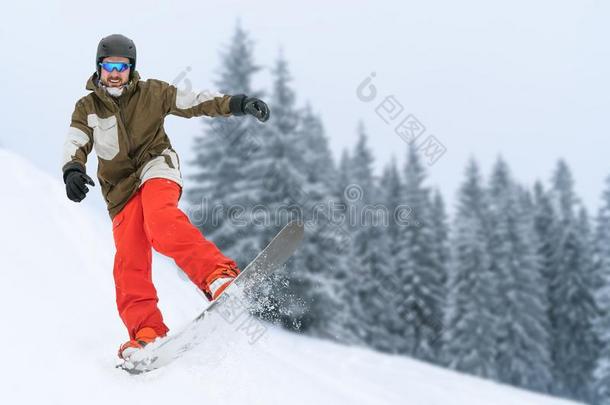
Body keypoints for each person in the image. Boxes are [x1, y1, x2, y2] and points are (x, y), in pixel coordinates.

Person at [61, 34, 270, 360]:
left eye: (122, 67)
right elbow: (76, 141)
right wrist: (72, 169)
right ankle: (147, 332)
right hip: (119, 191)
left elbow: (195, 100)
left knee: (161, 223)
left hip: (157, 167)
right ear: (98, 68)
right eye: (109, 67)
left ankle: (218, 276)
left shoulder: (153, 92)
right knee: (129, 262)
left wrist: (236, 103)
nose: (115, 74)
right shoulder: (86, 108)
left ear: (132, 69)